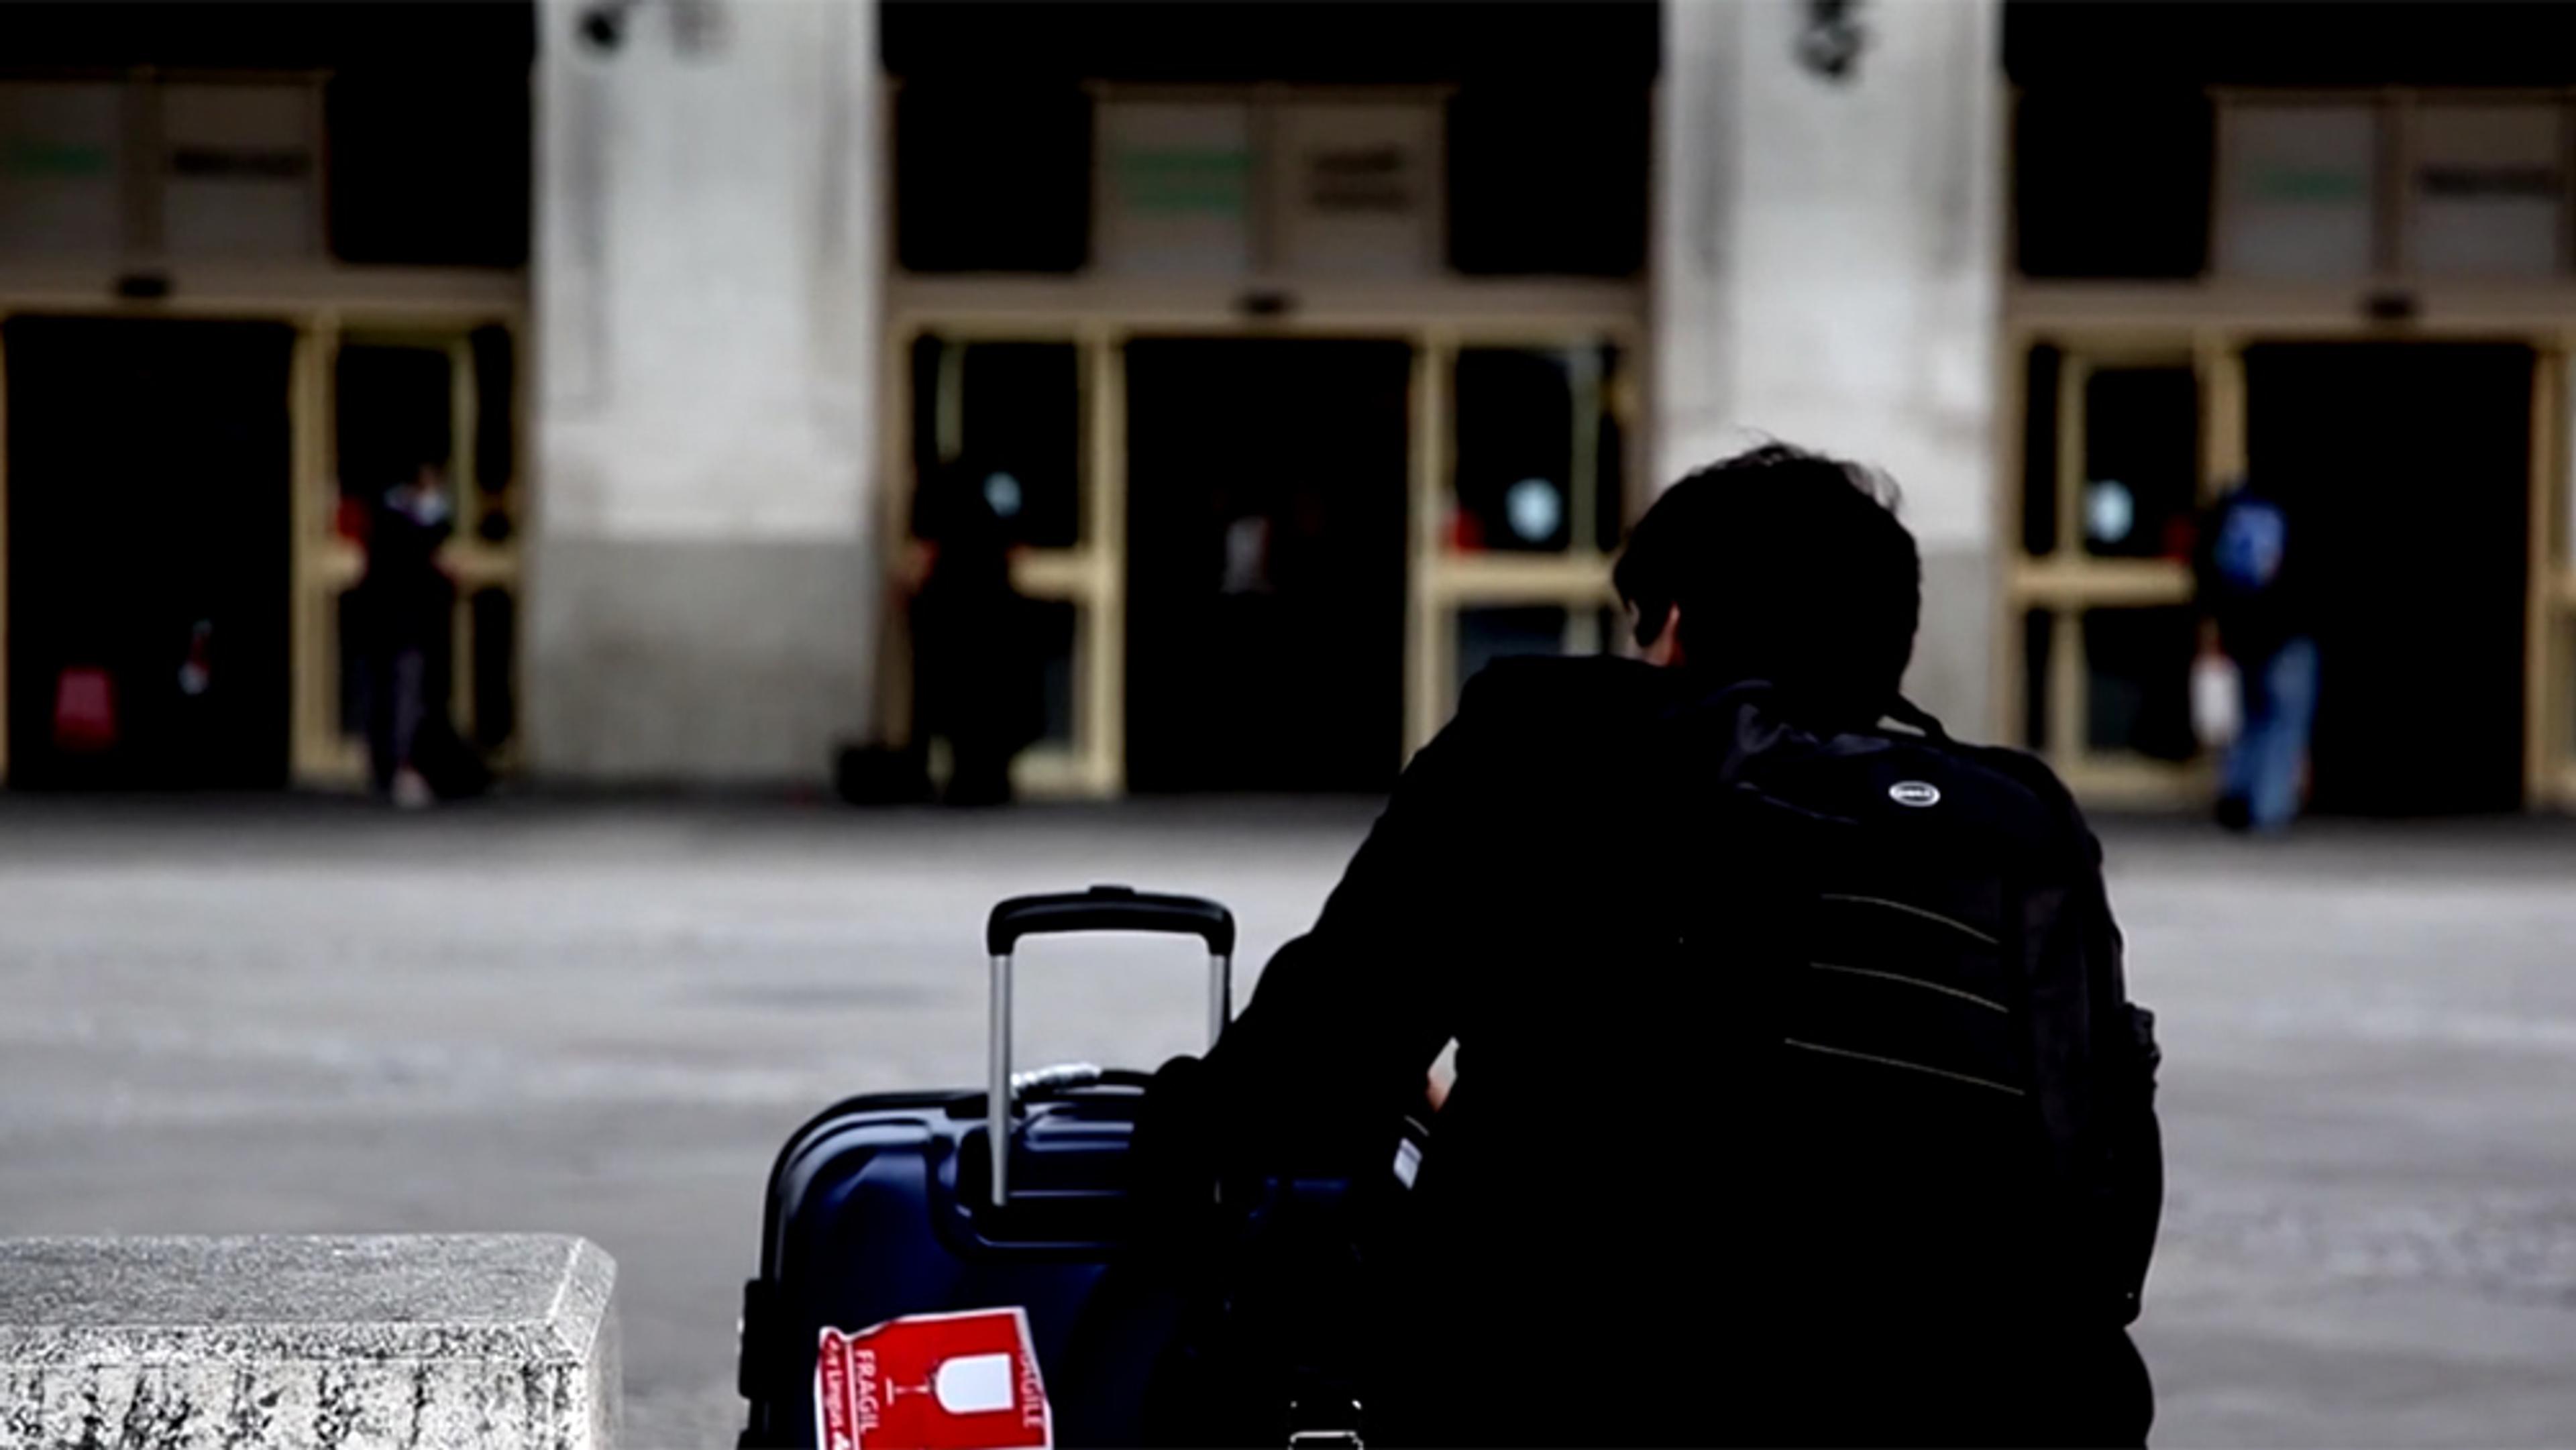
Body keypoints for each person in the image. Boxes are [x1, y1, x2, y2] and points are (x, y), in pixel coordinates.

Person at [1141, 444, 2163, 1447]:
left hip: (1592, 1390)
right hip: (1991, 1401)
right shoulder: (2016, 822)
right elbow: (2101, 1185)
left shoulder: (1546, 737)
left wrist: (1171, 1130)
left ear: (1672, 625)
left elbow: (1318, 1056)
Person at [904, 459, 1044, 806]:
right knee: (978, 694)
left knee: (971, 694)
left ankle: (975, 778)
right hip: (973, 602)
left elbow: (924, 548)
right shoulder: (990, 481)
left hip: (967, 602)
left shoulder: (958, 480)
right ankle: (983, 778)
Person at [2197, 480, 2316, 834]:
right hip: (2289, 632)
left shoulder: (2229, 508)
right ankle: (2270, 808)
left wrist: (2216, 627)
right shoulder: (2296, 509)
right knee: (2283, 723)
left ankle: (2237, 797)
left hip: (2241, 632)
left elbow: (2206, 571)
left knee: (2247, 721)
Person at [351, 463, 456, 809]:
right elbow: (420, 554)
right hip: (397, 623)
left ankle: (387, 769)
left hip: (388, 623)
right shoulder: (394, 519)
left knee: (391, 697)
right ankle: (396, 768)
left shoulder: (391, 517)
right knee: (399, 699)